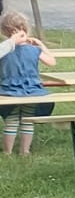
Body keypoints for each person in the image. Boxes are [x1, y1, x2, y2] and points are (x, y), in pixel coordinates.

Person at [0, 13, 55, 155]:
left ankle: (7, 151)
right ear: (26, 29)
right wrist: (41, 45)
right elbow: (52, 62)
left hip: (9, 91)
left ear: (4, 31)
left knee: (11, 120)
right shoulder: (34, 50)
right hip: (32, 91)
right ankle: (25, 151)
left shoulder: (4, 51)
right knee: (28, 120)